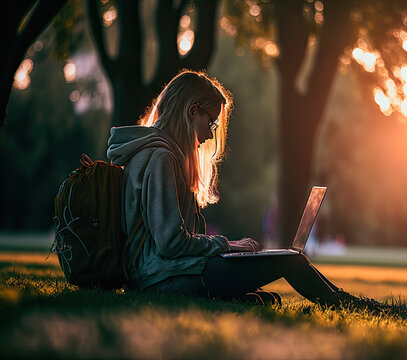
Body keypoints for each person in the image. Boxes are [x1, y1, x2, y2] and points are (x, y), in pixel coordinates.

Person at [106, 70, 373, 309]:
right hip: (162, 278)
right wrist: (229, 245)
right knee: (290, 261)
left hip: (164, 274)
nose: (210, 135)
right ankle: (353, 306)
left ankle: (339, 300)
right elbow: (171, 243)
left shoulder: (155, 154)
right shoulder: (161, 158)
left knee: (279, 262)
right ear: (191, 111)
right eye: (210, 122)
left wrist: (229, 251)